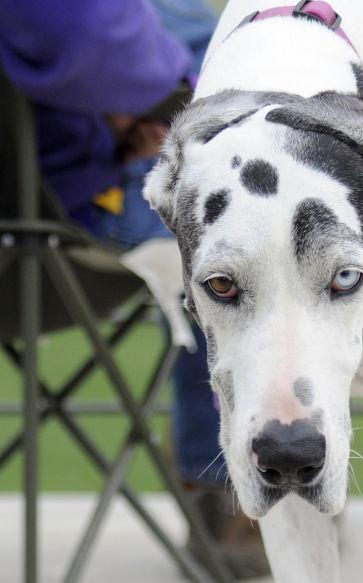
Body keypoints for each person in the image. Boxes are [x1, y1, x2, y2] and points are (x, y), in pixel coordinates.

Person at [0, 0, 268, 577]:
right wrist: (176, 98)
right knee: (247, 222)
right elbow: (88, 39)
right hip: (48, 233)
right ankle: (224, 483)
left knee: (194, 26)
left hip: (43, 205)